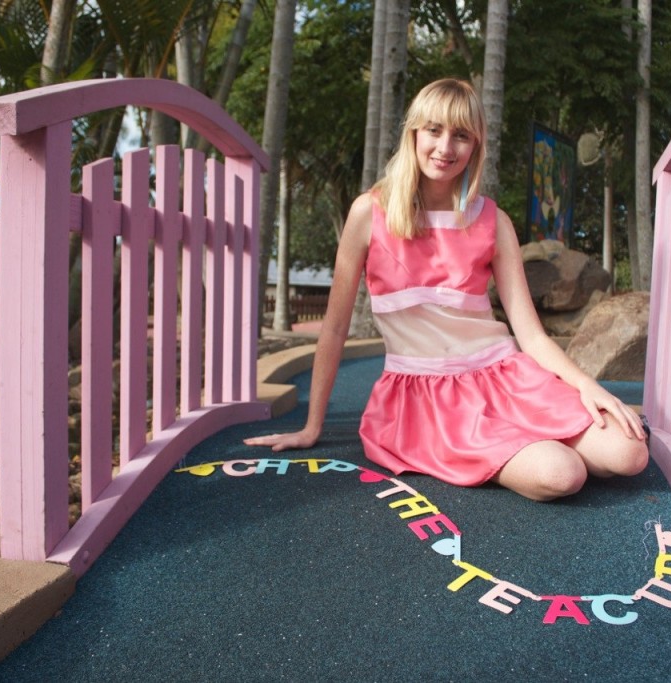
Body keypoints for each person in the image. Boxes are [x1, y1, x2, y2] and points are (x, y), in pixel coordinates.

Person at [245, 79, 648, 501]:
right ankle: (532, 450)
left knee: (630, 454)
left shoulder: (494, 220)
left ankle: (540, 439)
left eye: (461, 135)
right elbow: (333, 328)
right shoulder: (369, 212)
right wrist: (312, 427)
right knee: (562, 475)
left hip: (506, 379)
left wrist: (590, 387)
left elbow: (530, 335)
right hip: (424, 398)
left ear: (475, 145)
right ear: (414, 133)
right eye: (434, 130)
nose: (445, 146)